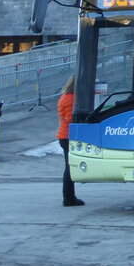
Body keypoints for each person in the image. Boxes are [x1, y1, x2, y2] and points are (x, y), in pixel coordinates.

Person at [57, 75, 83, 206]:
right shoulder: (71, 99)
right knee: (69, 168)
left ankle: (69, 197)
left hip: (64, 135)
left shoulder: (65, 97)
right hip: (68, 136)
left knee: (69, 167)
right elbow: (71, 119)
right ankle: (69, 198)